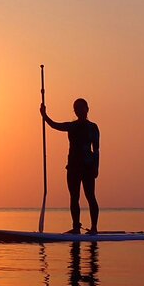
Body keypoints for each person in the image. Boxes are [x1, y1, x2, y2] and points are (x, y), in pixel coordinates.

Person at [40, 98, 100, 234]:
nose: (80, 110)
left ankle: (94, 228)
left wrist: (96, 167)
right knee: (74, 197)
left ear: (87, 109)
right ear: (75, 111)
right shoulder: (72, 126)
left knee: (90, 196)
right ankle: (76, 227)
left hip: (88, 167)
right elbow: (54, 125)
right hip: (73, 167)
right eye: (77, 108)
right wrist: (44, 115)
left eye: (82, 107)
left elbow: (96, 150)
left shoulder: (93, 127)